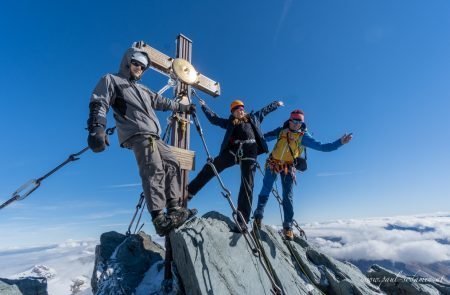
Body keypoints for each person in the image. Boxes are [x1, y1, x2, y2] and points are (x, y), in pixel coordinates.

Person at [86, 41, 197, 237]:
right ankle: (159, 218)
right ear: (128, 61)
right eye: (137, 64)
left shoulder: (144, 90)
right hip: (138, 134)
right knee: (153, 169)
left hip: (154, 135)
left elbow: (162, 102)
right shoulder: (112, 80)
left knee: (172, 163)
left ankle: (174, 209)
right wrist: (97, 127)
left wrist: (183, 108)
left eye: (144, 67)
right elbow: (100, 101)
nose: (140, 69)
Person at [253, 109, 353, 240]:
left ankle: (287, 227)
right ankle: (258, 216)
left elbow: (323, 147)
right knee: (265, 189)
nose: (295, 124)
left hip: (288, 167)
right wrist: (249, 137)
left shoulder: (303, 137)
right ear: (289, 120)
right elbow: (263, 138)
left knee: (287, 196)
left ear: (302, 123)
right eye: (293, 121)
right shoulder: (281, 131)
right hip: (273, 163)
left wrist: (340, 142)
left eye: (299, 121)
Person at [187, 98, 283, 232]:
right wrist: (204, 106)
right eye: (237, 109)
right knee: (212, 167)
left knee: (247, 185)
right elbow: (214, 119)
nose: (241, 110)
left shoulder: (253, 118)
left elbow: (265, 110)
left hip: (250, 151)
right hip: (234, 150)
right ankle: (189, 192)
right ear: (233, 112)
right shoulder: (230, 123)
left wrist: (276, 104)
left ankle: (242, 221)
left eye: (242, 108)